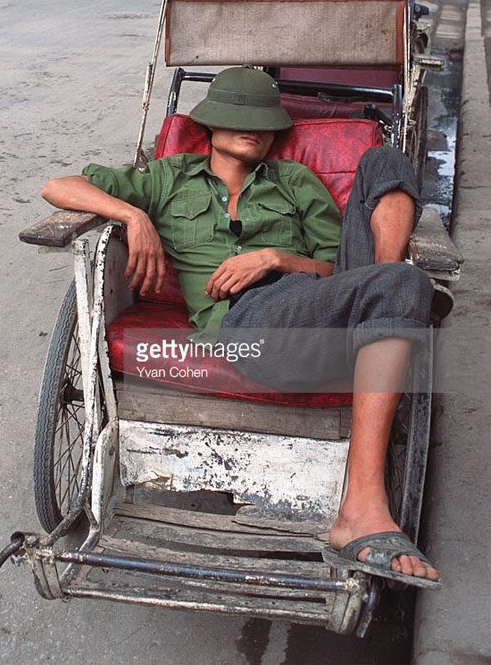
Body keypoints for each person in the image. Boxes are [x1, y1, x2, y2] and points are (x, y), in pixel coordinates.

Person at [42, 66, 441, 588]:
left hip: (318, 301)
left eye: (264, 122)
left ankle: (386, 304)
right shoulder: (168, 178)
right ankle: (392, 312)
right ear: (210, 124)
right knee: (402, 287)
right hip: (248, 323)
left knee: (387, 161)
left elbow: (331, 268)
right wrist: (135, 218)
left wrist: (275, 257)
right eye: (238, 119)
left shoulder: (294, 180)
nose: (253, 130)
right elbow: (57, 185)